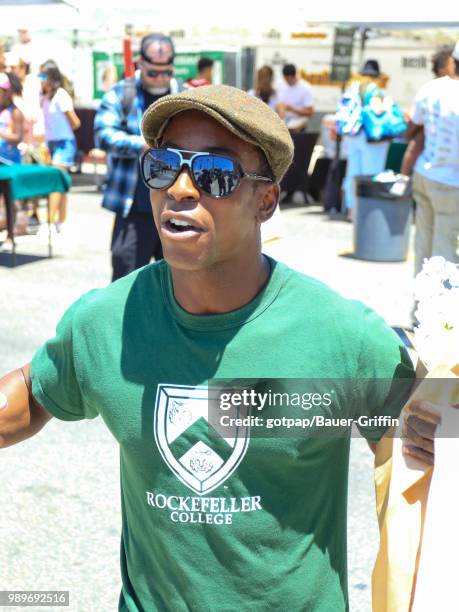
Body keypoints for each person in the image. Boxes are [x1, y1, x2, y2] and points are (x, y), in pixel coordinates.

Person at [0, 85, 443, 611]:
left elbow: (433, 418)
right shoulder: (107, 320)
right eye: (163, 166)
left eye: (215, 174)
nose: (181, 189)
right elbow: (34, 391)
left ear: (266, 201)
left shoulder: (340, 334)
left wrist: (438, 433)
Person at [94, 32, 183, 282]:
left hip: (176, 206)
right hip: (133, 206)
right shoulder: (122, 93)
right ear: (140, 64)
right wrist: (143, 145)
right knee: (126, 279)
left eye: (166, 72)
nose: (160, 78)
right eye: (153, 72)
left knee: (179, 283)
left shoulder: (184, 94)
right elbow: (102, 135)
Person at [405, 41, 459, 278]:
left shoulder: (430, 88)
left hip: (424, 174)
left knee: (423, 247)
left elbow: (413, 129)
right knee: (445, 253)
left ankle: (420, 310)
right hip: (451, 182)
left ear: (451, 62)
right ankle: (443, 314)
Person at [341, 59, 391, 221]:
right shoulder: (375, 90)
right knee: (371, 173)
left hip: (353, 135)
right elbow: (378, 110)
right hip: (371, 137)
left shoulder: (352, 88)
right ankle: (366, 210)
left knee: (353, 173)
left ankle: (351, 210)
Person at [401, 46, 456, 177]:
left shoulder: (429, 88)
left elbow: (411, 136)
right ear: (448, 64)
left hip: (426, 174)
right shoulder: (439, 89)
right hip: (449, 180)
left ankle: (402, 181)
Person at [39, 60, 80, 231]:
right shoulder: (43, 96)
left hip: (64, 142)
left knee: (55, 182)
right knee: (61, 182)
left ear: (51, 77)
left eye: (42, 75)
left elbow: (75, 123)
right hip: (52, 142)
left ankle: (49, 222)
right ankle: (60, 221)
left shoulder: (61, 95)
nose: (40, 79)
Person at [276, 63, 313, 132]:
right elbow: (277, 104)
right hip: (283, 123)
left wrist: (292, 109)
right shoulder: (280, 84)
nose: (288, 81)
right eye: (286, 79)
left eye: (290, 79)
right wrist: (280, 108)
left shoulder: (306, 88)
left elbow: (310, 112)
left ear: (294, 76)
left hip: (298, 124)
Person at [0, 72, 23, 164]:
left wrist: (1, 134)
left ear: (8, 92)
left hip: (10, 162)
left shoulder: (15, 112)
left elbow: (18, 138)